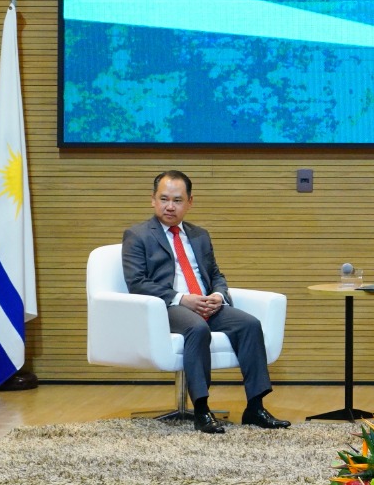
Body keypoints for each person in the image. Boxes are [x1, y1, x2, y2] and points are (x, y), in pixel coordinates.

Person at [121, 170, 290, 434]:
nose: (169, 206)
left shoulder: (199, 235)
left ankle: (255, 408)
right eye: (163, 199)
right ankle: (202, 408)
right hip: (167, 307)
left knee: (249, 324)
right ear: (152, 200)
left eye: (177, 200)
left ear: (190, 202)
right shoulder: (137, 235)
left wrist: (218, 296)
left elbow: (215, 275)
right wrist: (182, 299)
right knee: (197, 328)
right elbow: (137, 283)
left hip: (206, 304)